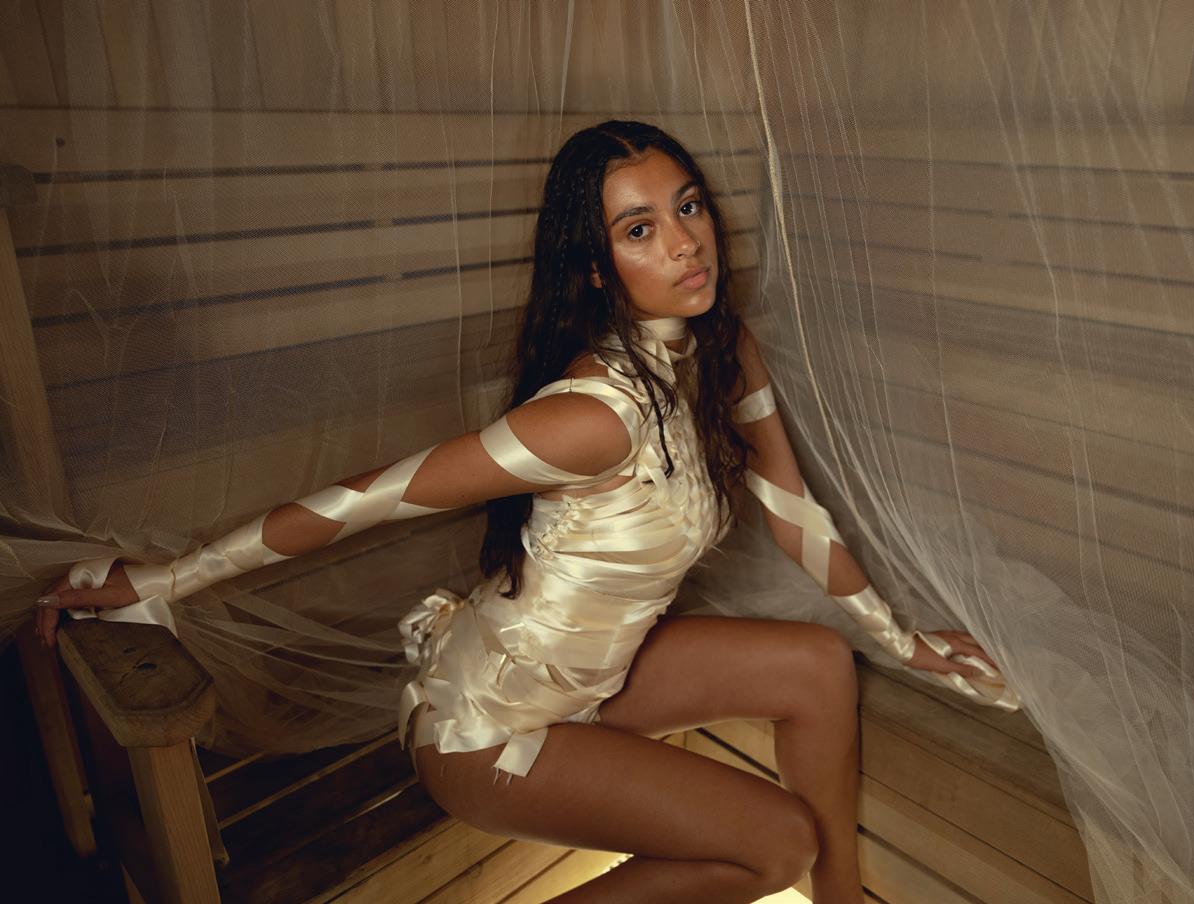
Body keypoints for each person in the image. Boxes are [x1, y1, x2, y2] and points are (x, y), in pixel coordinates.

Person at [33, 121, 1014, 903]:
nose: (684, 242)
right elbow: (368, 497)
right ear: (595, 266)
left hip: (599, 678)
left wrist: (902, 638)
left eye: (687, 207)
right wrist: (163, 580)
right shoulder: (589, 417)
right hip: (488, 730)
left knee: (821, 664)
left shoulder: (718, 344)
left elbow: (789, 502)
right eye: (640, 229)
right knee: (776, 842)